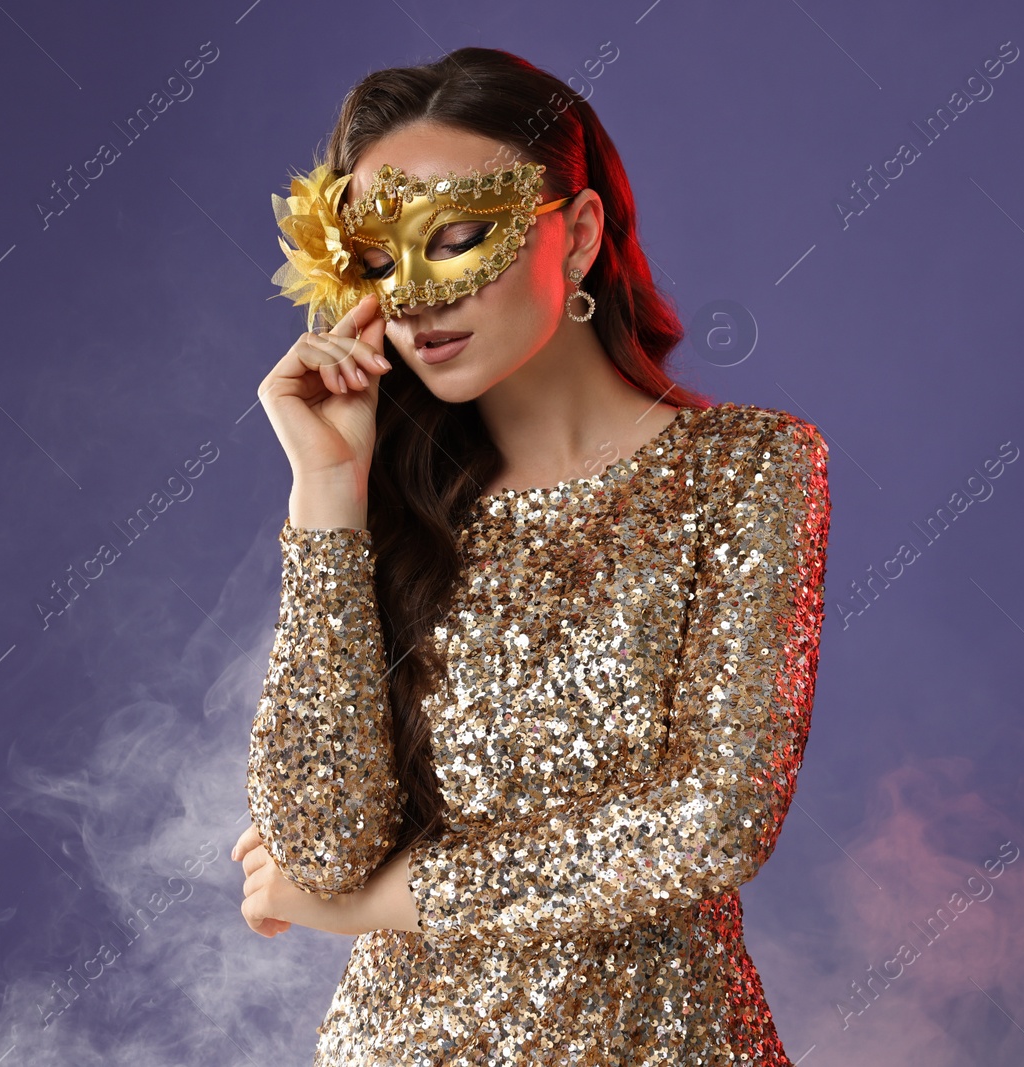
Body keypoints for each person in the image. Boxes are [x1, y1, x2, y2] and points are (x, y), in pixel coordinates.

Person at [230, 46, 831, 1066]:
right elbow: (316, 851)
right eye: (377, 260)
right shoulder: (382, 498)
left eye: (458, 237)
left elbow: (711, 823)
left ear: (582, 233)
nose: (413, 293)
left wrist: (390, 898)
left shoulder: (748, 467)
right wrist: (327, 490)